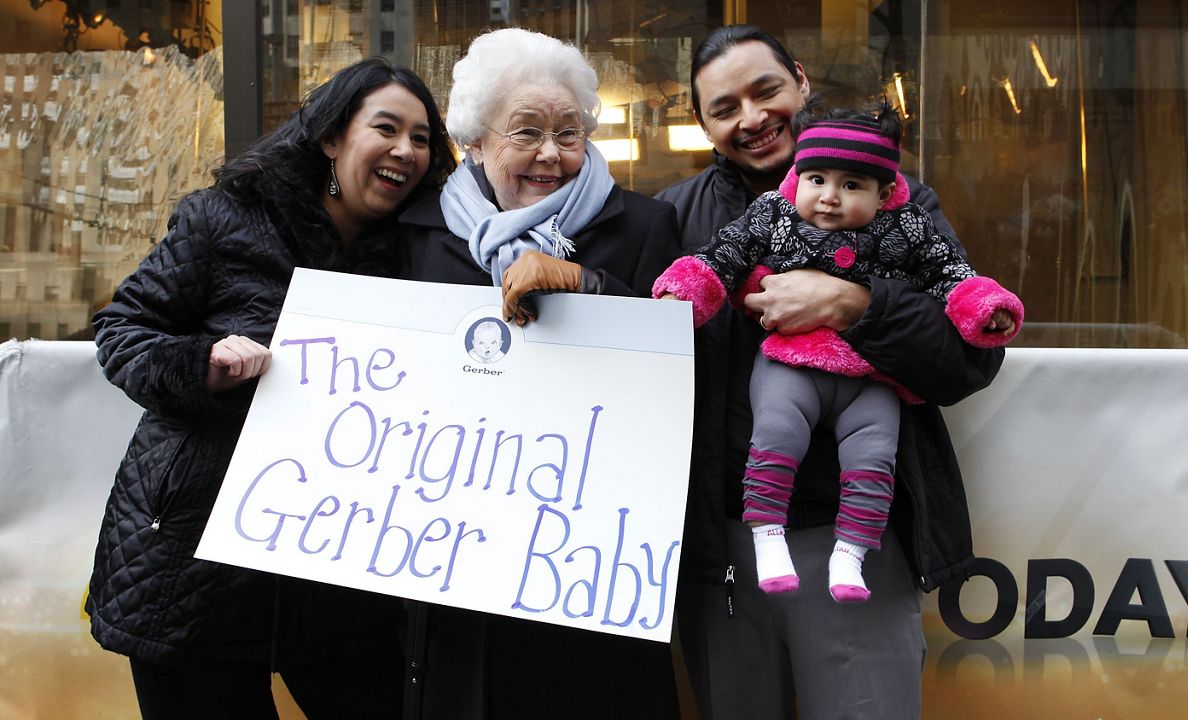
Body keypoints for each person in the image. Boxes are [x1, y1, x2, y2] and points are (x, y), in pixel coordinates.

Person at [87, 57, 457, 719]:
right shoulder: (221, 219)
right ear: (331, 137)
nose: (407, 150)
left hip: (342, 574)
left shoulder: (421, 256)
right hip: (190, 565)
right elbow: (123, 332)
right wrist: (200, 363)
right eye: (387, 128)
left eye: (423, 138)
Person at [657, 25, 1006, 719]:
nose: (752, 119)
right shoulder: (677, 215)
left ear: (802, 82)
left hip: (852, 537)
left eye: (766, 91)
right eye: (725, 108)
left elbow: (970, 358)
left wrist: (856, 305)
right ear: (702, 124)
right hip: (719, 544)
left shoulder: (899, 203)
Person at [399, 27, 683, 720]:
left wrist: (589, 283)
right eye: (525, 132)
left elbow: (680, 361)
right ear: (475, 140)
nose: (551, 154)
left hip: (588, 562)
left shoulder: (646, 226)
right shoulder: (414, 233)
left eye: (568, 131)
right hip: (454, 554)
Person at [654, 103, 1022, 604]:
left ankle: (850, 554)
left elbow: (949, 273)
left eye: (851, 186)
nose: (829, 198)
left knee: (873, 461)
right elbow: (722, 255)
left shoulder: (909, 226)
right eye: (817, 179)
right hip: (790, 361)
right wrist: (688, 291)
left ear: (885, 192)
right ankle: (768, 537)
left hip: (868, 378)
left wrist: (983, 308)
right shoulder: (771, 213)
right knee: (776, 437)